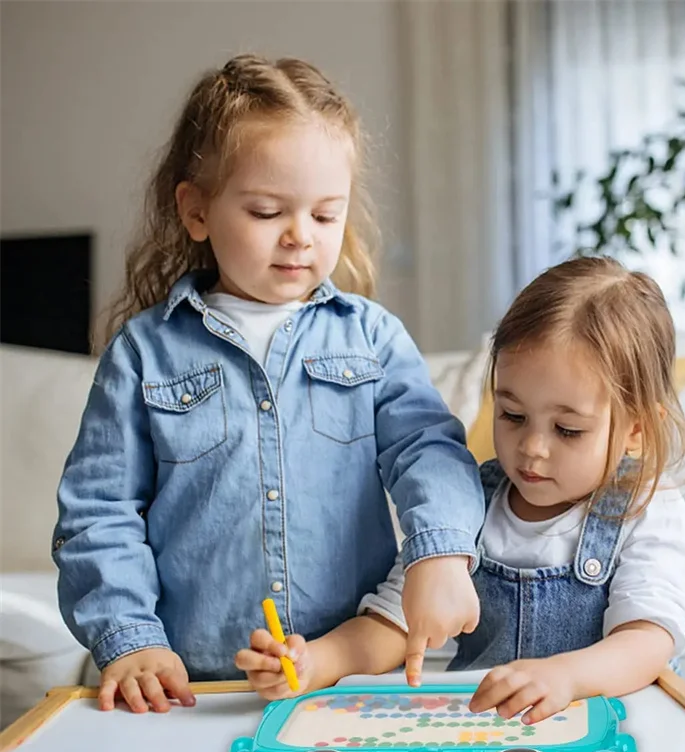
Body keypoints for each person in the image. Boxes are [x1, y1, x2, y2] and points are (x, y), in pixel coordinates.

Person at [53, 54, 484, 713]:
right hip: (191, 688)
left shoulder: (370, 338)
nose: (298, 238)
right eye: (265, 211)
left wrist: (443, 550)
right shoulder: (143, 352)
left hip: (348, 682)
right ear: (197, 211)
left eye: (324, 215)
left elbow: (431, 452)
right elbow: (98, 513)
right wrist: (129, 637)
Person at [339, 256, 685, 724]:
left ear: (636, 429)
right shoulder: (466, 500)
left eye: (567, 430)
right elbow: (393, 623)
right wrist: (313, 662)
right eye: (512, 416)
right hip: (484, 737)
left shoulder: (647, 509)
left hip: (609, 738)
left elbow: (647, 642)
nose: (531, 448)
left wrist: (564, 677)